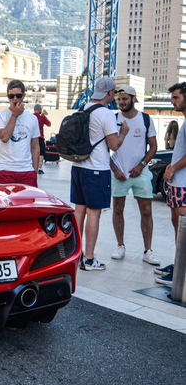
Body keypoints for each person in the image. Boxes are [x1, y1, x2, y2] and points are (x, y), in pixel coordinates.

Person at [70, 77, 129, 271]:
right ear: (110, 93)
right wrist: (123, 133)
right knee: (94, 214)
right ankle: (88, 259)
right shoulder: (106, 114)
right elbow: (114, 145)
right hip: (96, 170)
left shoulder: (84, 108)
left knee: (79, 212)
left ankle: (76, 255)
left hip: (79, 167)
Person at [109, 86, 160, 266]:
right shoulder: (113, 119)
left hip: (141, 173)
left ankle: (148, 251)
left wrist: (141, 165)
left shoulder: (145, 119)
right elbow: (103, 149)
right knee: (118, 209)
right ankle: (120, 246)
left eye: (124, 99)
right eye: (119, 100)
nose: (121, 102)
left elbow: (153, 146)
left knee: (146, 211)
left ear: (134, 99)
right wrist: (115, 169)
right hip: (119, 173)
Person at [157, 82, 186, 286]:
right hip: (177, 184)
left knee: (183, 228)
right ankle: (178, 265)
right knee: (177, 225)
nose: (172, 101)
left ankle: (181, 273)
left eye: (176, 97)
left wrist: (173, 168)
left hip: (183, 183)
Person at [0, 80, 40, 187]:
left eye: (18, 95)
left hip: (26, 170)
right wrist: (14, 115)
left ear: (23, 96)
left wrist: (35, 171)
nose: (15, 99)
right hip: (4, 169)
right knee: (2, 203)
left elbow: (35, 147)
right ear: (7, 96)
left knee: (27, 204)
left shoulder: (32, 118)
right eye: (11, 96)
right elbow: (4, 137)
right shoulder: (0, 115)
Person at [33, 104, 51, 174]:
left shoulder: (31, 117)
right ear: (39, 109)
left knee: (32, 152)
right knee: (41, 153)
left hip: (32, 137)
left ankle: (32, 167)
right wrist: (44, 116)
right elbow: (49, 124)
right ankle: (39, 168)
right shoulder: (42, 117)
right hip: (40, 137)